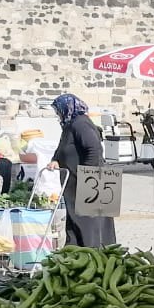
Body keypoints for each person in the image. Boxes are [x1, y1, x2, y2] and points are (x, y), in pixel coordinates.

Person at [49, 95, 117, 249]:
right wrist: (56, 159)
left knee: (92, 229)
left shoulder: (81, 124)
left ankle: (96, 259)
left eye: (58, 111)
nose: (58, 114)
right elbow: (63, 148)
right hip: (78, 182)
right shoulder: (70, 125)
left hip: (92, 181)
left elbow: (94, 149)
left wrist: (88, 178)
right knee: (77, 227)